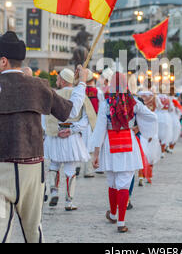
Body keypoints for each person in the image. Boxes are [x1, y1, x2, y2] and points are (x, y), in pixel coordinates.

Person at [0, 31, 88, 243]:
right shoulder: (38, 86)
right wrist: (82, 82)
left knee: (1, 231)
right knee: (33, 231)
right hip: (32, 169)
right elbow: (70, 111)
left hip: (1, 170)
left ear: (3, 61)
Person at [91, 72, 157, 233]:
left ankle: (113, 214)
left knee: (112, 181)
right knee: (124, 183)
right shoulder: (133, 102)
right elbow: (152, 117)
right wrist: (138, 127)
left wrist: (96, 153)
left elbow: (100, 129)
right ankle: (121, 221)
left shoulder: (106, 104)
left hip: (110, 144)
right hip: (128, 141)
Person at [43, 69, 96, 211]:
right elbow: (87, 118)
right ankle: (69, 201)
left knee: (54, 164)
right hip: (71, 136)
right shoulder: (79, 95)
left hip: (55, 135)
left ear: (64, 80)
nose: (56, 80)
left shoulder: (53, 95)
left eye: (58, 78)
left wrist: (52, 131)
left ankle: (54, 192)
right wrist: (73, 129)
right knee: (70, 168)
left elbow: (44, 117)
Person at [81, 69, 104, 178]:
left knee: (81, 144)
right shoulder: (97, 91)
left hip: (81, 120)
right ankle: (89, 170)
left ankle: (78, 167)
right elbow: (102, 106)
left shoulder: (80, 90)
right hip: (93, 120)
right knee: (91, 145)